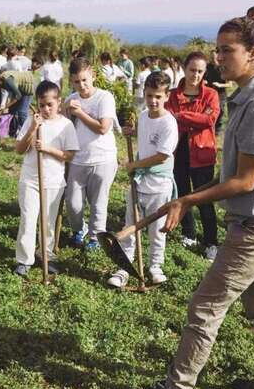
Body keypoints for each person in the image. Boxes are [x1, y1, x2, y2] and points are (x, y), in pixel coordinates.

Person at [131, 7, 254, 389]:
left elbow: (244, 181)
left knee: (204, 307)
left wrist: (187, 200)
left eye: (227, 50)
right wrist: (187, 195)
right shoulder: (247, 94)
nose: (218, 58)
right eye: (217, 49)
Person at [107, 71, 178, 288]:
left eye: (158, 96)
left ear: (166, 96)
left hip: (159, 183)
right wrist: (133, 131)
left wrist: (134, 165)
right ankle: (125, 267)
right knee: (131, 223)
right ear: (144, 94)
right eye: (149, 96)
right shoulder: (145, 115)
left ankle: (155, 266)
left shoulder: (169, 123)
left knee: (156, 227)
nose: (153, 101)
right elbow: (145, 135)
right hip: (138, 181)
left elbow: (161, 156)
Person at [13, 80, 79, 277]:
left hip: (53, 181)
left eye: (50, 104)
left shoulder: (66, 125)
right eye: (42, 105)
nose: (46, 109)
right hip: (30, 180)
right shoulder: (32, 121)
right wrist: (33, 128)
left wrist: (47, 149)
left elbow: (69, 155)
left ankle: (46, 255)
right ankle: (24, 260)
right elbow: (19, 150)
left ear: (59, 102)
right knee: (28, 220)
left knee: (48, 223)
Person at [166, 52, 220, 260]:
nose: (195, 75)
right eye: (192, 70)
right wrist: (194, 118)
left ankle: (211, 241)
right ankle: (189, 233)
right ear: (184, 69)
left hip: (202, 153)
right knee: (181, 194)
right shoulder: (172, 95)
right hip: (178, 151)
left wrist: (181, 116)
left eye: (200, 71)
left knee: (204, 198)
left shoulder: (211, 95)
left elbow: (210, 120)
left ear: (204, 72)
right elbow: (168, 120)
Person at [64, 57, 118, 250]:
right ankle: (79, 228)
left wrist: (80, 114)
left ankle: (96, 237)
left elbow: (103, 128)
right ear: (71, 81)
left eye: (85, 80)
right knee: (73, 203)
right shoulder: (70, 100)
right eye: (77, 81)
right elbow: (62, 126)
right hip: (78, 159)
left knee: (98, 203)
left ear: (93, 75)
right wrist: (68, 113)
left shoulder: (105, 98)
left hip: (103, 158)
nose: (82, 85)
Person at [205, 48, 232, 136]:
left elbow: (230, 84)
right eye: (211, 57)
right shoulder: (207, 67)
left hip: (220, 95)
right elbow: (203, 78)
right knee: (208, 112)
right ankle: (210, 129)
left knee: (220, 113)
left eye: (214, 57)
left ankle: (217, 132)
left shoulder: (223, 68)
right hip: (209, 95)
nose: (212, 59)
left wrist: (220, 85)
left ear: (217, 56)